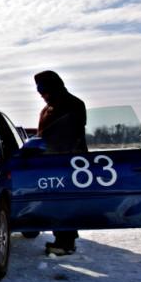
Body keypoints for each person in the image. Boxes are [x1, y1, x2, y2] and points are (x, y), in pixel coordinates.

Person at [34, 70, 87, 256]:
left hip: (68, 164)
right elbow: (44, 135)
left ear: (53, 87)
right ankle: (61, 238)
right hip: (50, 163)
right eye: (39, 91)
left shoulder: (74, 105)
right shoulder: (46, 110)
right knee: (55, 203)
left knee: (65, 203)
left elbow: (71, 136)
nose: (41, 95)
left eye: (43, 90)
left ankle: (66, 242)